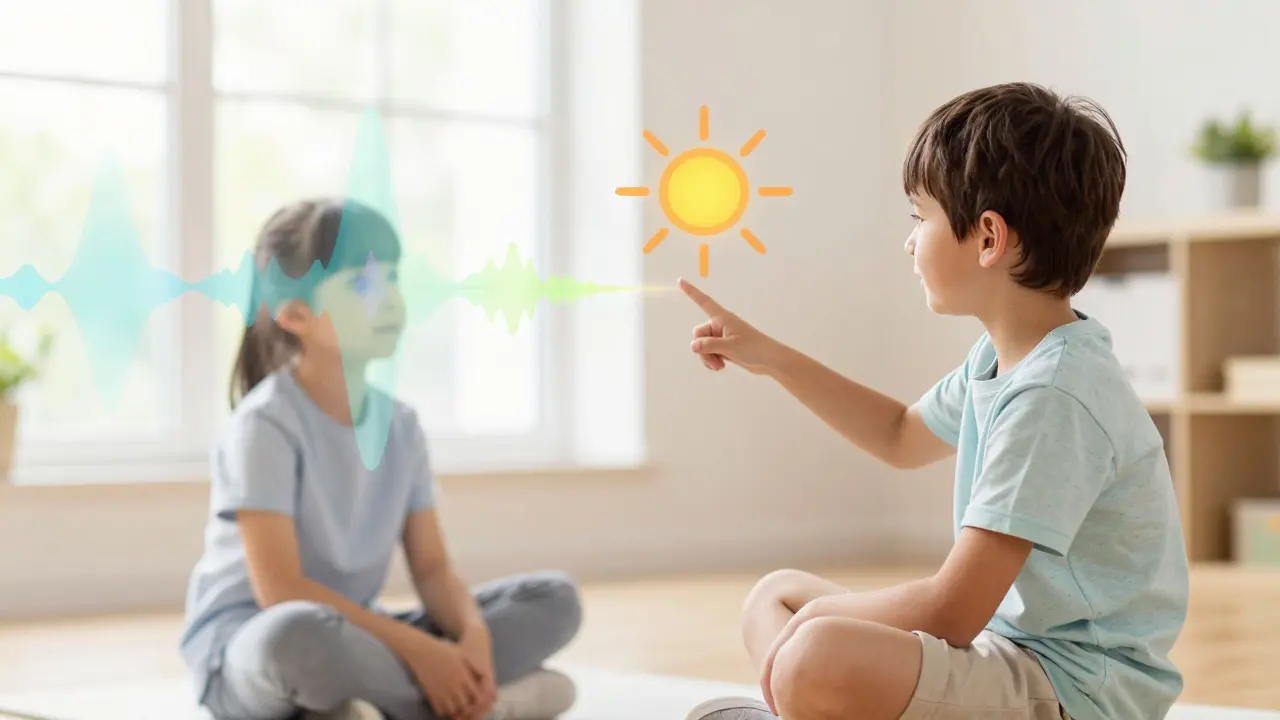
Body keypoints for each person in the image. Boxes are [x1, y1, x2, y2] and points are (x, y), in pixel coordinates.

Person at [679, 82, 1189, 720]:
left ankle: (797, 698)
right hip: (1010, 655)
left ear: (988, 238)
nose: (909, 242)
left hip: (1075, 691)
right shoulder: (1002, 359)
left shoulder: (1055, 397)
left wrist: (819, 624)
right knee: (775, 597)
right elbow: (898, 432)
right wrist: (773, 357)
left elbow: (953, 610)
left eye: (921, 218)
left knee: (815, 648)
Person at [179, 198, 582, 720]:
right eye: (364, 285)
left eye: (393, 278)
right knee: (298, 637)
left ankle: (380, 704)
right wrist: (424, 652)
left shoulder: (402, 426)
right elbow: (281, 591)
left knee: (555, 599)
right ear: (295, 314)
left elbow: (433, 569)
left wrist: (472, 637)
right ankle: (483, 704)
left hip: (360, 632)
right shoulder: (265, 425)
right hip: (253, 649)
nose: (390, 298)